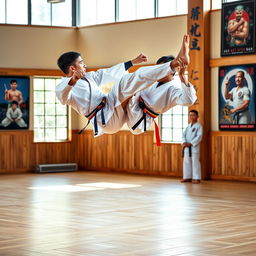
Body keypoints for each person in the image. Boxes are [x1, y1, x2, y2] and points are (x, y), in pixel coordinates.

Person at [56, 35, 190, 137]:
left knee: (132, 82)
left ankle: (174, 64)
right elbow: (63, 97)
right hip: (104, 118)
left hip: (113, 113)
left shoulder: (88, 77)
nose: (85, 65)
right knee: (126, 81)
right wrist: (73, 80)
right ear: (73, 68)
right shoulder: (62, 85)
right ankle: (174, 64)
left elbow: (108, 73)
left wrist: (133, 62)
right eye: (81, 62)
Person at [125, 55, 197, 145]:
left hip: (140, 120)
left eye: (161, 69)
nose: (157, 72)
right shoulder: (153, 81)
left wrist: (182, 76)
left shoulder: (173, 89)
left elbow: (189, 100)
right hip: (132, 107)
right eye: (157, 69)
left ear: (171, 72)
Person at [181, 110, 203, 184]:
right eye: (190, 115)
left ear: (197, 116)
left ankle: (197, 178)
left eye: (193, 115)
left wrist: (191, 143)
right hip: (187, 147)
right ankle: (187, 177)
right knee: (186, 162)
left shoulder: (199, 126)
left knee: (195, 162)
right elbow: (183, 135)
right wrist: (184, 142)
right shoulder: (187, 126)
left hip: (194, 147)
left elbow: (199, 137)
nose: (191, 117)